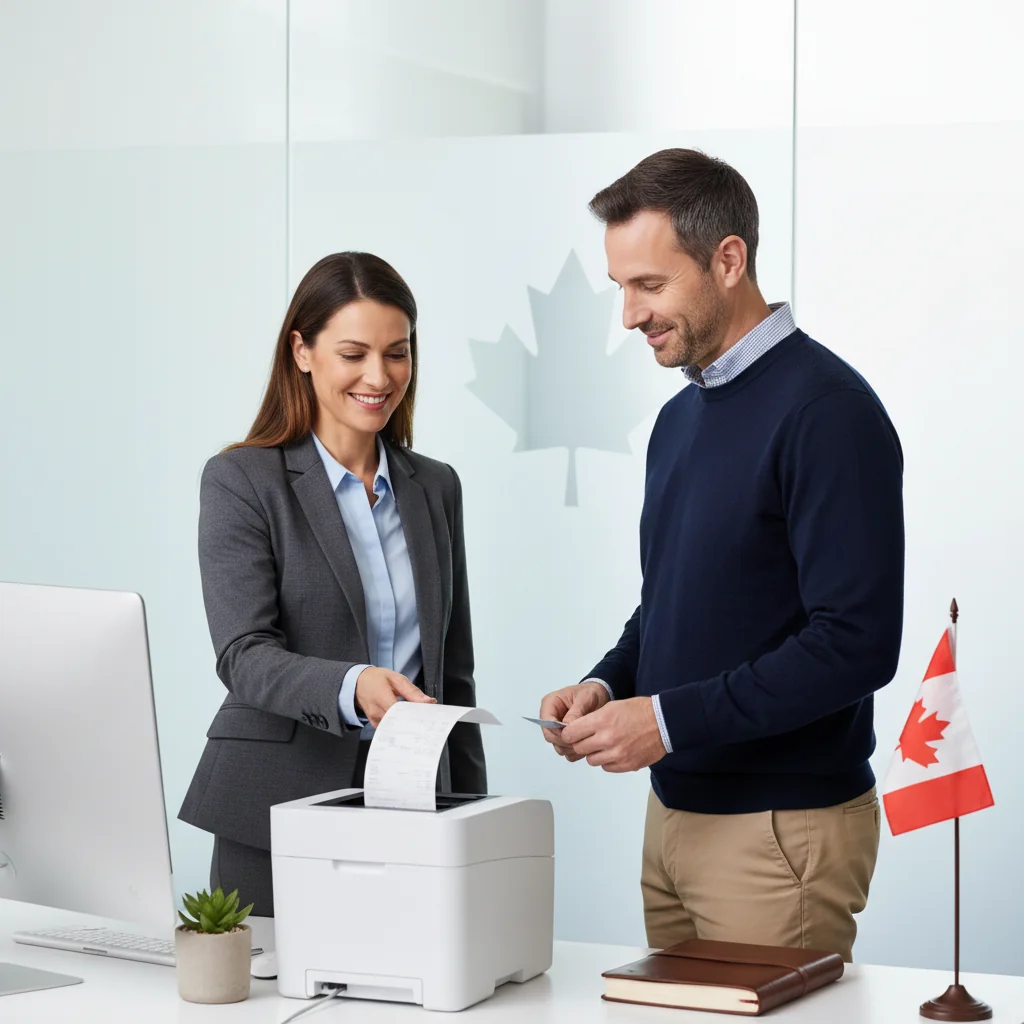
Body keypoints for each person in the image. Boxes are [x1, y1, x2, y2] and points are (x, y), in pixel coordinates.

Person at [539, 149, 904, 962]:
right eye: (622, 288)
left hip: (779, 837)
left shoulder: (829, 414)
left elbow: (858, 642)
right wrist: (608, 686)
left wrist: (665, 721)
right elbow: (670, 602)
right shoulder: (679, 422)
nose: (630, 315)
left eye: (650, 285)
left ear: (729, 259)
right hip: (673, 821)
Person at [179, 252, 486, 914]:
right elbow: (243, 656)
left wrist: (474, 816)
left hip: (412, 807)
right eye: (354, 353)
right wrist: (354, 686)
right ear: (303, 351)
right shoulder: (242, 481)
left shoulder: (435, 487)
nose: (380, 377)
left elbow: (452, 674)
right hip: (273, 805)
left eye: (397, 353)